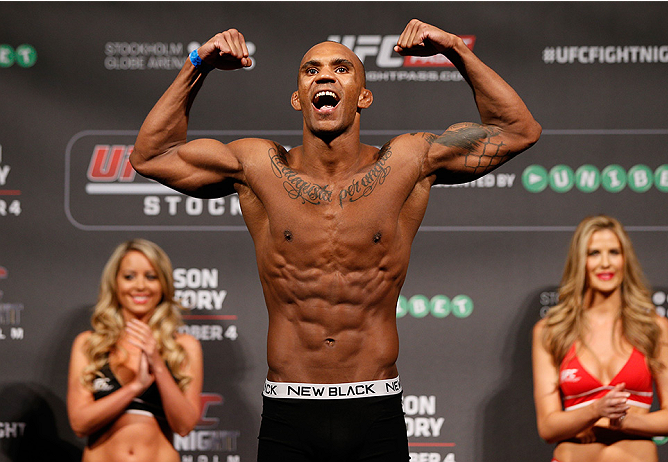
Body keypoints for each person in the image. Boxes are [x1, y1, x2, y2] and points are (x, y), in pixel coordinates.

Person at [130, 19, 541, 460]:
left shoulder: (409, 161)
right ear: (298, 99)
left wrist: (456, 49)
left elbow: (518, 130)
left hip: (375, 408)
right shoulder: (258, 167)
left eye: (341, 68)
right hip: (290, 410)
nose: (325, 75)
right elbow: (151, 155)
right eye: (311, 70)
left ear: (364, 97)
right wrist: (198, 64)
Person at [532, 215, 668, 462]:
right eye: (594, 253)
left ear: (625, 259)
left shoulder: (653, 327)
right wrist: (594, 410)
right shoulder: (551, 330)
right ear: (580, 261)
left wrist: (622, 420)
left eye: (614, 252)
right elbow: (548, 427)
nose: (605, 263)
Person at [67, 239, 204, 462]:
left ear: (164, 284)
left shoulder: (183, 346)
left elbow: (184, 426)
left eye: (151, 277)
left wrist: (157, 363)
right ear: (115, 283)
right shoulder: (89, 344)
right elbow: (80, 424)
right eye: (129, 276)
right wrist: (135, 387)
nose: (140, 286)